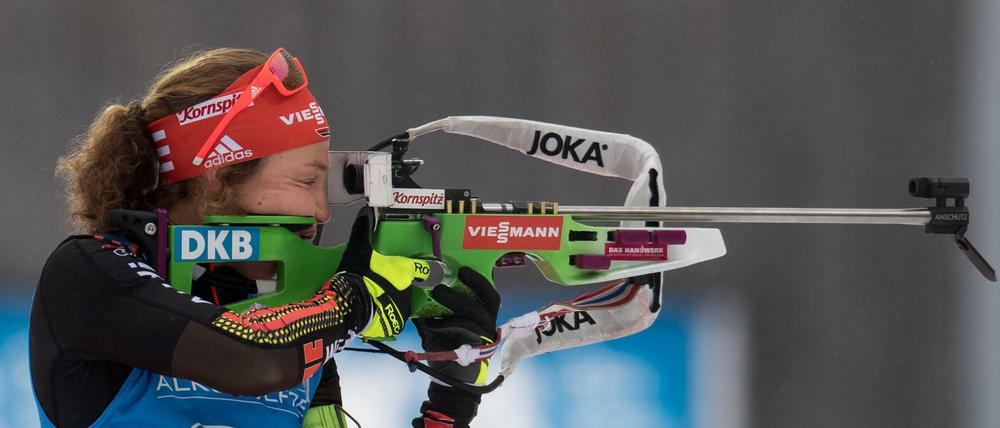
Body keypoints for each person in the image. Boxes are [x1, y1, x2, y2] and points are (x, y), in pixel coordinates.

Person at [30, 47, 498, 428]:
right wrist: (355, 300)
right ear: (217, 178)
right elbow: (252, 357)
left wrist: (448, 408)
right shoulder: (90, 274)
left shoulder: (293, 323)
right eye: (304, 182)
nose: (321, 211)